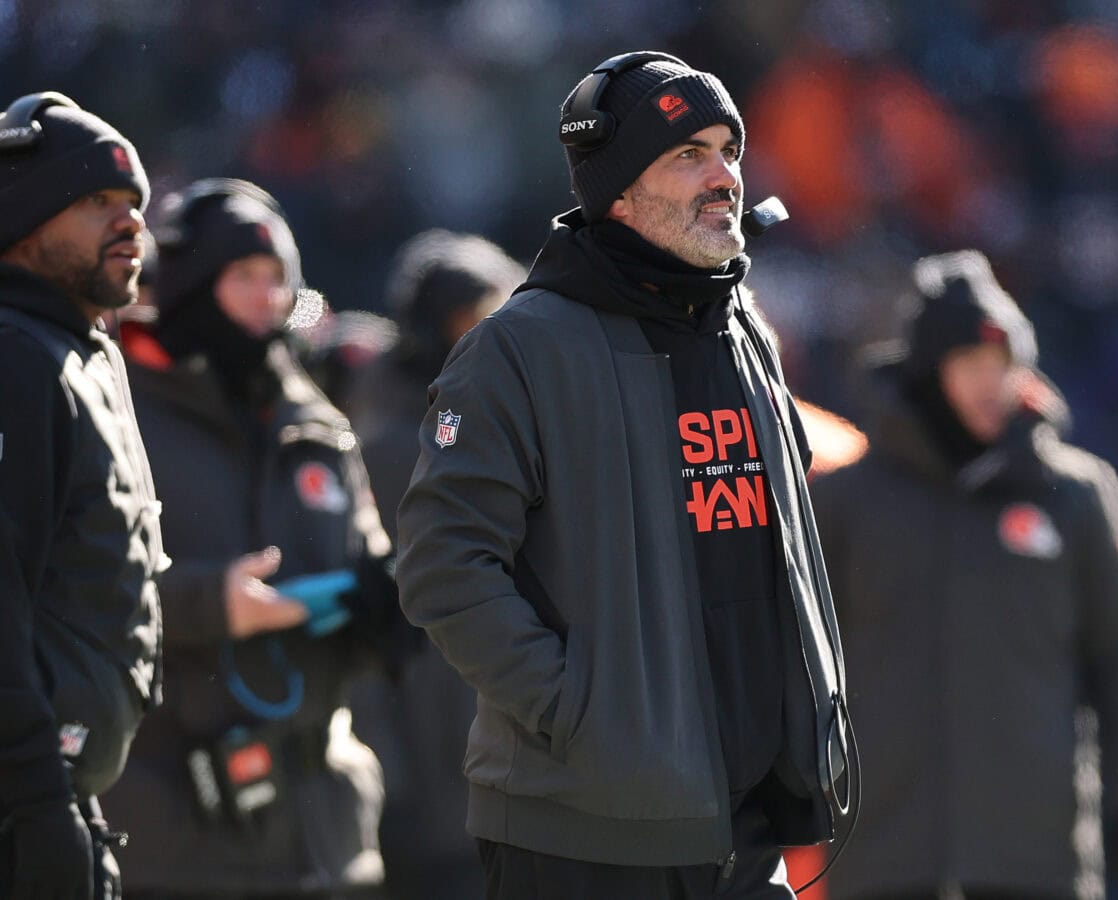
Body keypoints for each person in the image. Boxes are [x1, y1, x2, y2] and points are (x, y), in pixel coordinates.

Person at [396, 50, 851, 899]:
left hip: (747, 826)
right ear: (616, 189)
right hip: (586, 838)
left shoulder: (744, 332)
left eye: (730, 150)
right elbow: (442, 566)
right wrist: (582, 714)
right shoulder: (517, 348)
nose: (726, 177)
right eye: (689, 154)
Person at [812, 250, 1118, 900]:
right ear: (929, 374)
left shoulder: (1076, 496)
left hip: (1034, 855)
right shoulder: (848, 503)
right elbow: (796, 662)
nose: (991, 384)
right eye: (969, 364)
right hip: (880, 854)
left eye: (1003, 364)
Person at [100, 178, 401, 899]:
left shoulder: (317, 419)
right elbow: (65, 589)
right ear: (192, 284)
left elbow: (364, 552)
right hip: (172, 843)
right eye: (244, 276)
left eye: (278, 280)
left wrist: (388, 603)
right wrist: (211, 606)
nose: (267, 299)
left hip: (325, 837)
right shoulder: (113, 406)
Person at [0, 91, 165, 900]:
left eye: (133, 203)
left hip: (59, 805)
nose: (131, 221)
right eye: (96, 200)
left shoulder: (78, 353)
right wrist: (38, 806)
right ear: (22, 221)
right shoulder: (14, 360)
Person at [343, 229, 524, 900]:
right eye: (476, 317)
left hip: (512, 768)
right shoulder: (392, 448)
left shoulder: (500, 421)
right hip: (434, 779)